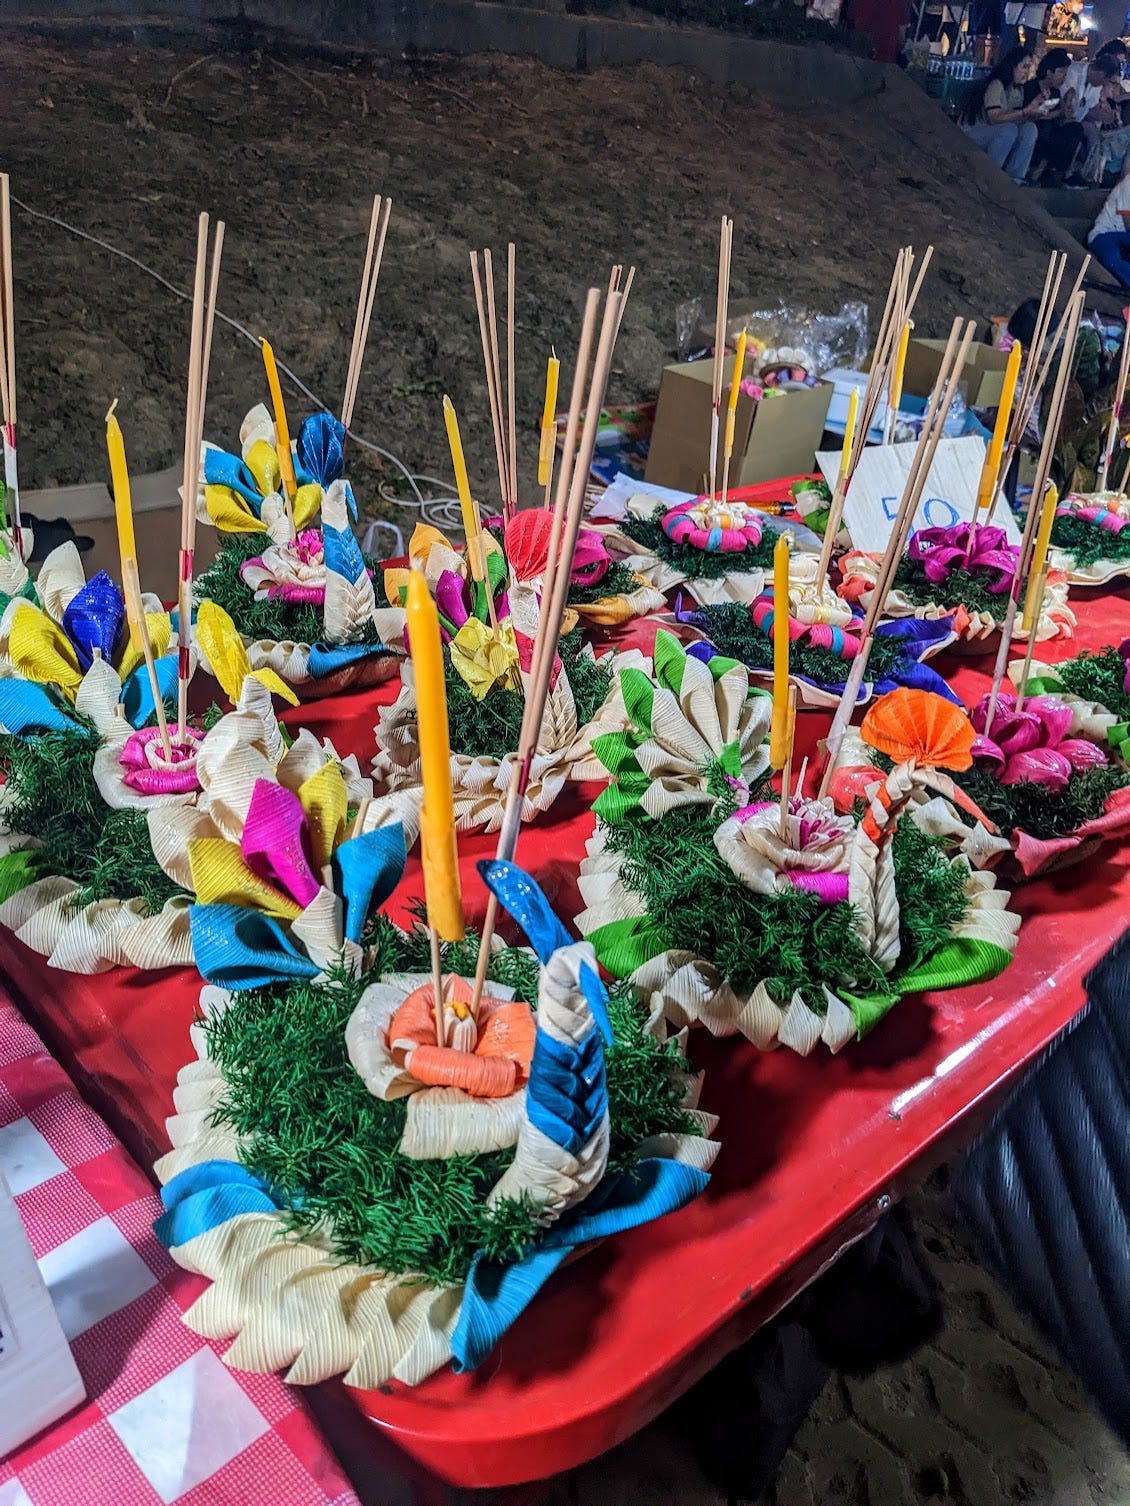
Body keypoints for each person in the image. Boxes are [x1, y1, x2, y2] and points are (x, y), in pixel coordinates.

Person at [959, 46, 1042, 182]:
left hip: (995, 132)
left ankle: (1015, 177)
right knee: (1008, 130)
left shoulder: (1018, 90)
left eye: (1028, 68)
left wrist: (1035, 110)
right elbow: (994, 118)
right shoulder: (996, 85)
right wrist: (1025, 111)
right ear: (1012, 67)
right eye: (1024, 67)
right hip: (974, 132)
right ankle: (991, 175)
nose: (1026, 72)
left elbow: (1015, 117)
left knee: (1030, 129)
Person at [1024, 47, 1085, 182]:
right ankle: (1035, 168)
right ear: (1049, 72)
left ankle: (1057, 172)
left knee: (1075, 129)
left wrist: (1067, 107)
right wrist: (1057, 113)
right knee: (1045, 126)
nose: (1064, 77)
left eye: (1065, 73)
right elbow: (1031, 115)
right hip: (1035, 127)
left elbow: (1061, 117)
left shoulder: (1056, 92)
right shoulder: (1030, 88)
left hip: (1053, 129)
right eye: (1061, 72)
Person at [1062, 52, 1124, 177]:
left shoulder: (1095, 86)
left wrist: (1107, 115)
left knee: (1093, 133)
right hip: (1061, 117)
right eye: (1105, 81)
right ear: (1101, 74)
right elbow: (1067, 101)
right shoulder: (1073, 72)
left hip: (1078, 120)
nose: (1103, 85)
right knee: (1077, 129)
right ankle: (1062, 173)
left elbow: (1091, 107)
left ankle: (1090, 174)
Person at [1088, 166, 1130, 283]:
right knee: (1112, 259)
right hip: (1103, 234)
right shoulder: (1129, 183)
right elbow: (1128, 224)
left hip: (1124, 237)